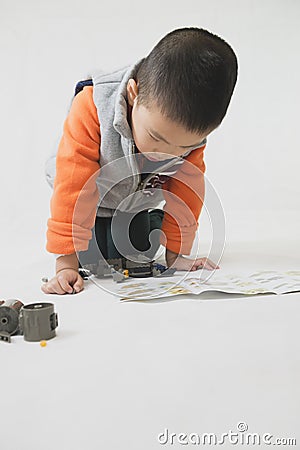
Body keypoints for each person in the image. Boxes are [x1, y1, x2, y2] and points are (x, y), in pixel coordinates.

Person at [42, 27, 238, 295]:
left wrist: (176, 255)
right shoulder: (93, 106)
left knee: (138, 253)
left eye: (182, 146)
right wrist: (65, 264)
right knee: (91, 256)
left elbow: (186, 193)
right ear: (134, 95)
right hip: (91, 192)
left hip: (134, 199)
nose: (165, 154)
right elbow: (74, 183)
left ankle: (154, 222)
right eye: (155, 137)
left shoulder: (189, 140)